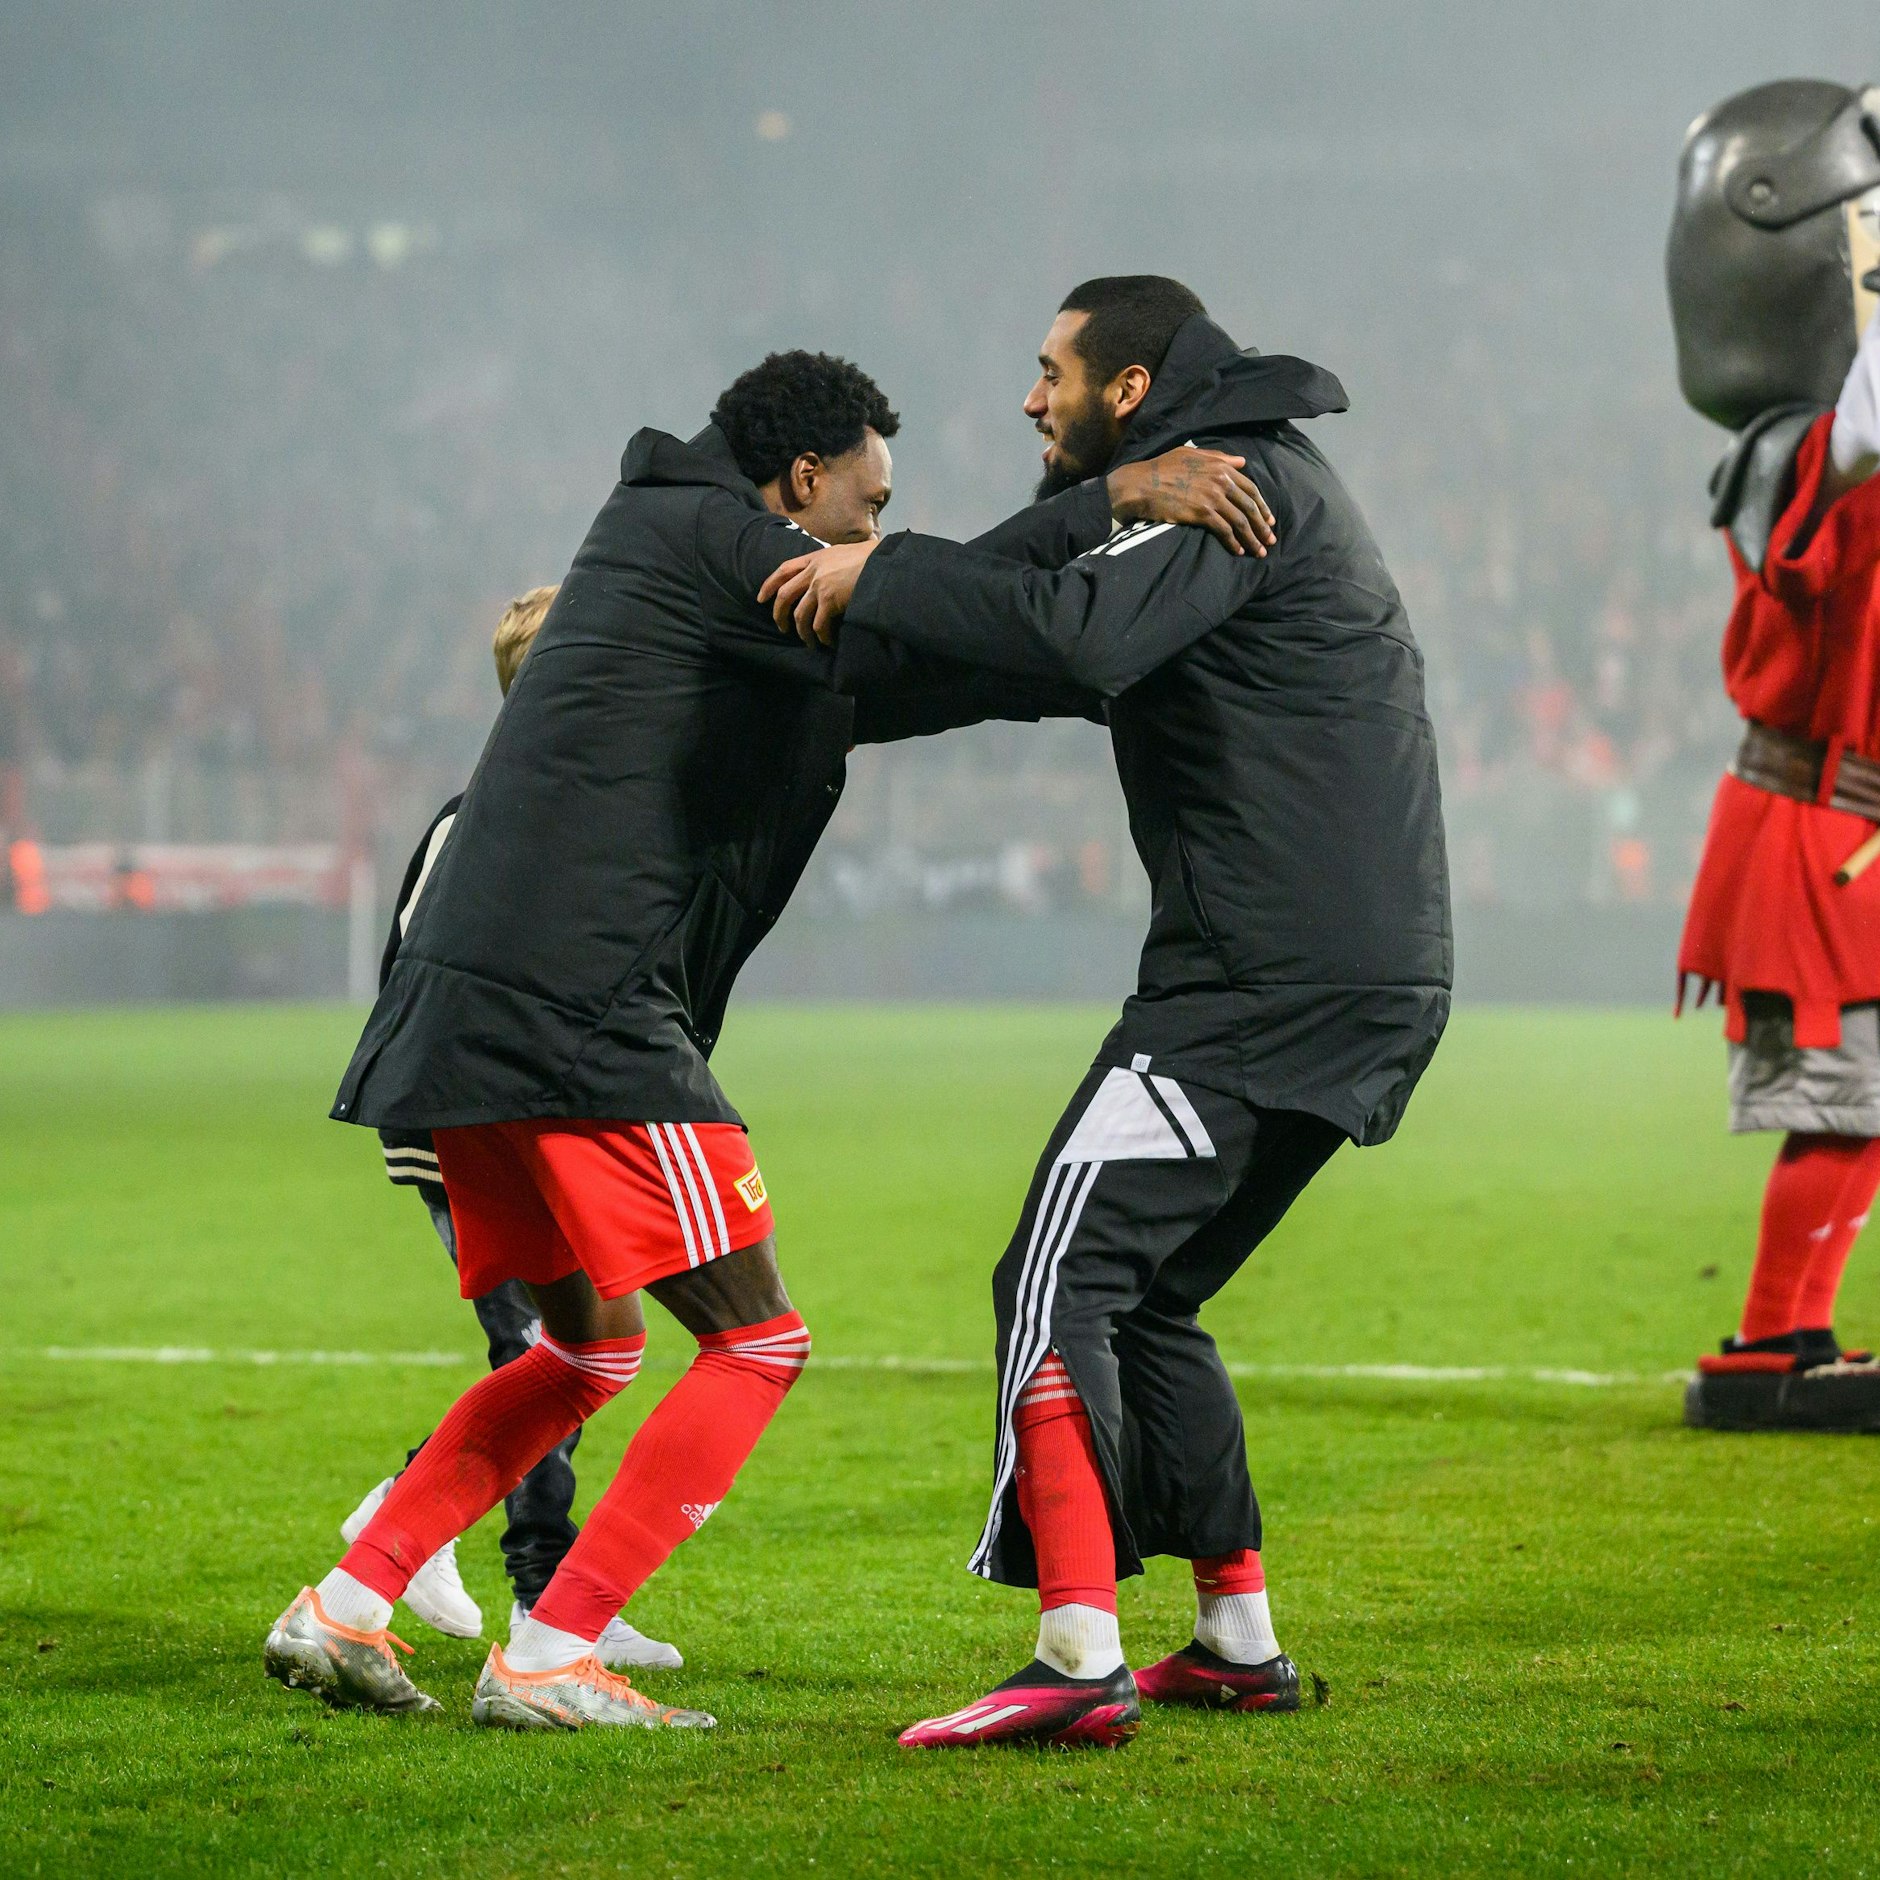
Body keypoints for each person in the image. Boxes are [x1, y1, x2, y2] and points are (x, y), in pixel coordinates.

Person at [264, 346, 1279, 1729]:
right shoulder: (708, 540)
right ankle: (555, 1649)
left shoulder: (678, 556)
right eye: (866, 505)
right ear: (801, 481)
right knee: (756, 1340)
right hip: (582, 1010)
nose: (871, 533)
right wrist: (1108, 501)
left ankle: (347, 1600)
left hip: (473, 1013)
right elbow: (916, 613)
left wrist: (1091, 637)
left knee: (585, 1348)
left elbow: (926, 662)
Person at [764, 276, 1452, 1749]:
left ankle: (1076, 1651)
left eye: (1051, 372)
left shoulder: (1235, 490)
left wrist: (878, 569)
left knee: (1050, 1278)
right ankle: (1236, 1634)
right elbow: (1024, 655)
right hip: (1347, 980)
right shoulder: (1196, 496)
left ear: (1128, 387)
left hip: (1256, 985)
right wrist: (840, 680)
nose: (1030, 398)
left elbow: (1071, 638)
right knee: (1151, 1297)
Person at [341, 583, 680, 1671]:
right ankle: (543, 1598)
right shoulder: (481, 818)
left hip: (520, 1125)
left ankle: (417, 1509)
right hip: (466, 1131)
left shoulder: (541, 809)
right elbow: (437, 988)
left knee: (567, 1348)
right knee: (551, 1348)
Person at [1668, 80, 1880, 1432]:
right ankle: (1770, 1343)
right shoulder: (1791, 446)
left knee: (1860, 1103)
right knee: (1847, 1102)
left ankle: (1786, 1335)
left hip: (1835, 829)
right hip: (1813, 834)